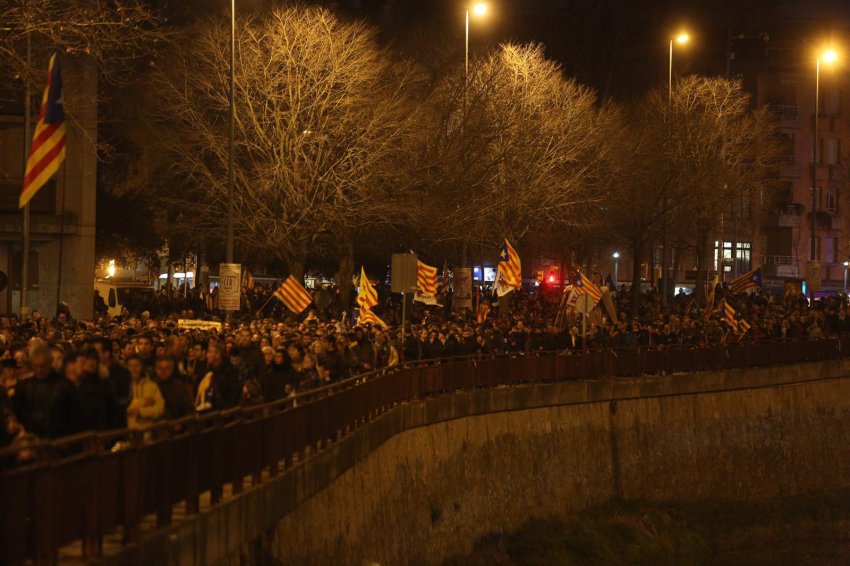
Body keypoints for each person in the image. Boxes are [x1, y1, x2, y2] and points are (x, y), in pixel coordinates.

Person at [13, 343, 80, 439]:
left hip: (58, 439)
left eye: (42, 366)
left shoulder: (65, 385)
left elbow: (74, 415)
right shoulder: (24, 385)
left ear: (50, 363)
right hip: (31, 438)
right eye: (36, 366)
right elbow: (18, 411)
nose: (39, 370)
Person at [195, 344, 240, 411]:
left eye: (210, 352)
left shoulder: (229, 370)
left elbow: (235, 391)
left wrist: (228, 409)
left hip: (223, 412)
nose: (207, 355)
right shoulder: (210, 371)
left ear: (218, 355)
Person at [126, 354, 165, 429]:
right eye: (130, 366)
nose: (133, 369)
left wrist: (141, 412)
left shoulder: (152, 386)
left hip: (148, 429)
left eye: (137, 365)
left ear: (142, 367)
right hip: (128, 431)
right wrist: (142, 402)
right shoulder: (122, 387)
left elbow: (160, 408)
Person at [154, 356, 194, 421]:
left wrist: (181, 423)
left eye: (167, 368)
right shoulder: (151, 387)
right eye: (160, 368)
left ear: (172, 370)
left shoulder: (180, 388)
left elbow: (189, 409)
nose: (163, 371)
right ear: (155, 369)